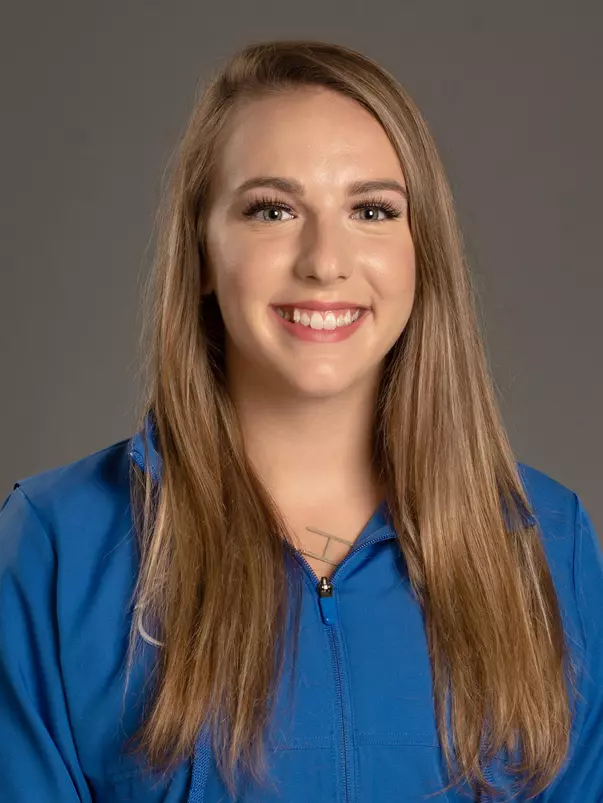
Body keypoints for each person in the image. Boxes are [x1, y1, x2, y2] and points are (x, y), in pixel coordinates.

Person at [0, 38, 601, 803]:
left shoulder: (546, 541)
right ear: (203, 252)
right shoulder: (57, 547)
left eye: (372, 210)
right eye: (271, 209)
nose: (324, 259)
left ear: (423, 254)